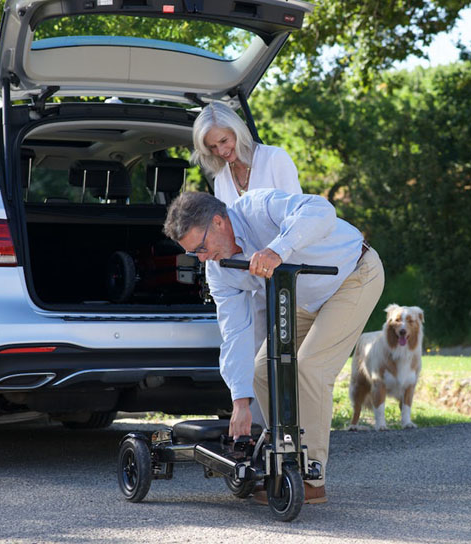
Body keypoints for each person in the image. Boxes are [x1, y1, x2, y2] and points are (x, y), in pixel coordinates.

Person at [163, 189, 384, 505]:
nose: (201, 258)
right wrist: (239, 401)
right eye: (193, 254)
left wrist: (277, 249)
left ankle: (311, 477)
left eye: (201, 247)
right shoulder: (218, 270)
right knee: (262, 370)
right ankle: (284, 460)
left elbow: (321, 211)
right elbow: (235, 332)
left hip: (353, 274)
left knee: (309, 367)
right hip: (304, 297)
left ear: (218, 221)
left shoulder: (257, 207)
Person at [191, 101, 303, 423]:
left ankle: (292, 432)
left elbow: (296, 217)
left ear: (237, 131)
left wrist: (275, 257)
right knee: (252, 359)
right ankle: (254, 432)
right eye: (213, 146)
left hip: (284, 274)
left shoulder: (275, 159)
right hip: (248, 279)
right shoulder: (222, 178)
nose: (222, 150)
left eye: (224, 141)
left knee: (284, 361)